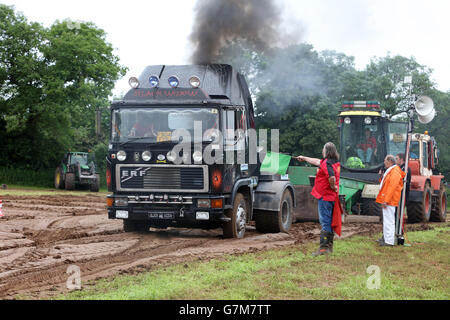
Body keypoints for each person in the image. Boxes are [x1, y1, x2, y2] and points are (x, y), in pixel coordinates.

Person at [296, 142, 342, 256]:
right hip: (331, 197)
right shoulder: (334, 162)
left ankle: (323, 249)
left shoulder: (327, 164)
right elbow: (317, 161)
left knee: (325, 221)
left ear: (326, 151)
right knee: (329, 221)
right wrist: (304, 158)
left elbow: (331, 177)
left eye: (323, 149)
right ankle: (329, 248)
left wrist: (333, 186)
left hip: (325, 196)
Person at [375, 155, 406, 246]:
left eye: (385, 160)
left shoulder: (395, 172)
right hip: (388, 200)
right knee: (387, 220)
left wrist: (386, 200)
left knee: (389, 220)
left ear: (389, 161)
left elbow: (391, 188)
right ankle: (386, 239)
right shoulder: (392, 171)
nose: (384, 162)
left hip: (389, 200)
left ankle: (389, 241)